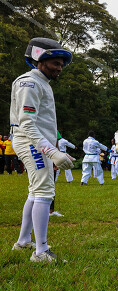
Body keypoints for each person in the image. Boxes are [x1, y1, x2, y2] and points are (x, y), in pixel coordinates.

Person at [10, 37, 74, 262]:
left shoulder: (41, 83)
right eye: (55, 62)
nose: (59, 68)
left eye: (61, 64)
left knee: (35, 192)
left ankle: (24, 241)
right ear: (39, 59)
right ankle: (41, 252)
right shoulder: (30, 82)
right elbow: (26, 123)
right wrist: (52, 152)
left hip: (36, 142)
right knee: (45, 192)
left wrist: (55, 148)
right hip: (30, 142)